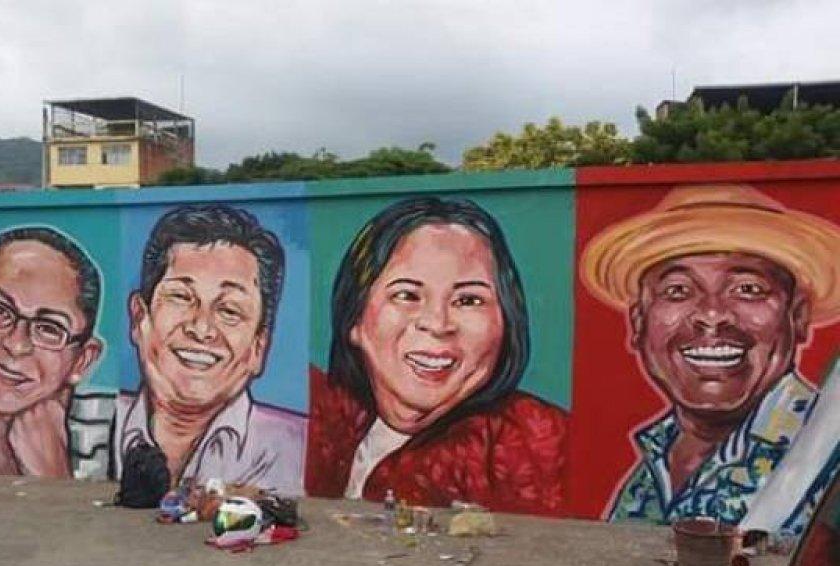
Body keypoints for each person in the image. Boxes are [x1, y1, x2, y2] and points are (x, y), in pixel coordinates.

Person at [582, 183, 840, 536]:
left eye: (748, 289)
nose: (712, 314)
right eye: (677, 291)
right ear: (639, 322)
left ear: (797, 316)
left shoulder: (825, 455)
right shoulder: (657, 458)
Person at [306, 197, 568, 514]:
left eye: (469, 300)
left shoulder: (540, 447)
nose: (437, 324)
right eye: (407, 295)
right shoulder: (313, 418)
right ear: (355, 319)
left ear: (506, 322)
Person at [114, 204, 305, 496]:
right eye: (181, 296)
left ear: (258, 347)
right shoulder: (91, 427)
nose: (201, 329)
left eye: (229, 310)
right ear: (140, 318)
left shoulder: (298, 450)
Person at [0, 226, 109, 477]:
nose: (16, 344)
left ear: (82, 360)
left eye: (49, 328)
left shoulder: (116, 435)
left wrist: (53, 471)